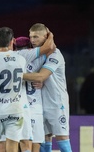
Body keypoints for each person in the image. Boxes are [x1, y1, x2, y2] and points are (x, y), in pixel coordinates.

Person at [23, 24, 72, 152]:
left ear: (46, 37)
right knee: (44, 140)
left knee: (62, 138)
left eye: (36, 37)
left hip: (56, 102)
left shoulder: (55, 54)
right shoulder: (35, 55)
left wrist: (16, 75)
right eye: (30, 37)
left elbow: (41, 76)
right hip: (40, 102)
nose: (32, 40)